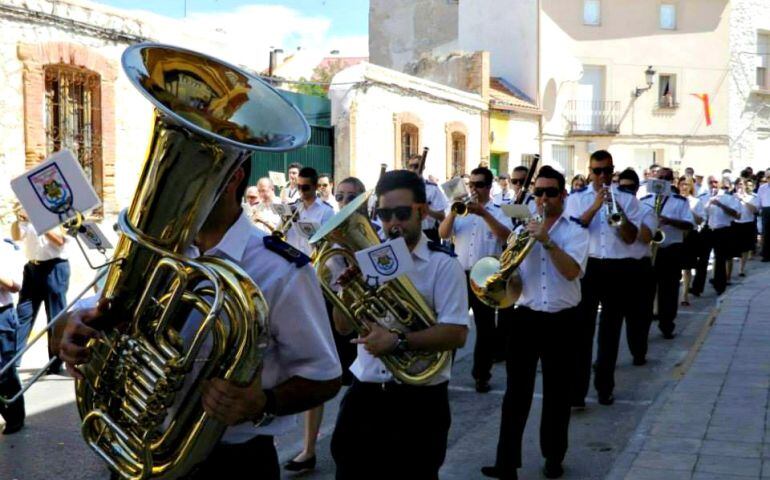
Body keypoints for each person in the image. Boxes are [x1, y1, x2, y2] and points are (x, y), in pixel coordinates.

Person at [58, 162, 342, 479]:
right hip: (132, 448)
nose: (172, 187)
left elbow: (325, 377)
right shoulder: (155, 249)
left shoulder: (283, 269)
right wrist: (77, 328)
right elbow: (99, 315)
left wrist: (263, 402)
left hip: (231, 464)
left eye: (184, 173)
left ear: (232, 176)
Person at [330, 169, 469, 480]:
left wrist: (397, 342)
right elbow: (342, 327)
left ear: (421, 211)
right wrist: (348, 290)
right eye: (384, 213)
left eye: (402, 213)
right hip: (364, 394)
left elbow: (457, 333)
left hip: (419, 401)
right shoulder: (368, 258)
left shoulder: (443, 265)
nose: (392, 222)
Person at [481, 166, 589, 480]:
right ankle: (506, 463)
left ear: (563, 195)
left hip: (563, 320)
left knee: (557, 394)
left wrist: (547, 241)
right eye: (538, 192)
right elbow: (511, 277)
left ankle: (553, 457)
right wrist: (504, 276)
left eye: (550, 192)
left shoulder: (576, 232)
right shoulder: (520, 231)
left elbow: (571, 272)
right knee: (516, 393)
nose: (543, 198)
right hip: (525, 319)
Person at [284, 176, 365, 474]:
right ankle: (308, 450)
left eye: (350, 197)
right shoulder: (326, 230)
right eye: (340, 196)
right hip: (327, 304)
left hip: (359, 310)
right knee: (314, 372)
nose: (343, 202)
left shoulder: (373, 234)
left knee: (356, 384)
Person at [567, 150, 641, 407]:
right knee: (581, 331)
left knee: (611, 331)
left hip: (618, 268)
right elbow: (573, 230)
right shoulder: (576, 199)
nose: (602, 176)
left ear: (613, 171)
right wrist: (595, 206)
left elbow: (631, 237)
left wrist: (618, 211)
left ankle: (605, 387)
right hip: (588, 267)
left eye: (606, 171)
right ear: (590, 171)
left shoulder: (628, 199)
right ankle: (577, 391)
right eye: (597, 171)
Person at [439, 167, 512, 393]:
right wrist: (453, 212)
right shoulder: (459, 209)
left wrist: (484, 214)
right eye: (472, 184)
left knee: (486, 329)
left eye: (479, 185)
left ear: (489, 187)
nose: (474, 189)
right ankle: (441, 374)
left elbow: (506, 236)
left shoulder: (501, 209)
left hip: (486, 276)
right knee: (451, 325)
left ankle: (482, 375)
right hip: (459, 275)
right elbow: (443, 234)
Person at [11, 207, 70, 375]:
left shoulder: (58, 213)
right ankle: (12, 361)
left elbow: (59, 240)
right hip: (32, 268)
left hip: (54, 267)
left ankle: (56, 362)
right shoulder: (28, 218)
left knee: (55, 316)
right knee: (23, 313)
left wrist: (35, 217)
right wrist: (17, 219)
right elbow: (16, 236)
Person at [640, 168, 694, 339]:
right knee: (647, 291)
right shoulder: (645, 200)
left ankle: (667, 324)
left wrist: (669, 221)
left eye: (665, 178)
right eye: (659, 178)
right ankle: (643, 327)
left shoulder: (680, 201)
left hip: (671, 249)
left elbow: (689, 224)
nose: (661, 181)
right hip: (649, 250)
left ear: (671, 181)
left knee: (669, 290)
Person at [698, 177, 741, 295]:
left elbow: (737, 215)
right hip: (707, 229)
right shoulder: (703, 197)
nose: (713, 184)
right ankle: (697, 287)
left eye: (715, 182)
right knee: (702, 259)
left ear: (720, 183)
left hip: (722, 230)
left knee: (720, 259)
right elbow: (700, 214)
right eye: (710, 182)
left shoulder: (728, 198)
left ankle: (719, 286)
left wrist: (720, 205)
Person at [0, 236, 24, 434]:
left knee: (5, 371)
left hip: (2, 315)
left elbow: (15, 286)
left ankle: (14, 416)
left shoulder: (6, 247)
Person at [286, 167, 335, 256]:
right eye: (299, 187)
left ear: (315, 187)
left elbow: (328, 244)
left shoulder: (327, 211)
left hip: (312, 264)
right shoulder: (292, 208)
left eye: (305, 187)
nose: (301, 191)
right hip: (292, 260)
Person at [405, 154, 448, 242]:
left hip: (428, 233)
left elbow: (442, 216)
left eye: (416, 166)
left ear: (423, 167)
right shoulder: (402, 189)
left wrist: (428, 211)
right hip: (408, 232)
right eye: (410, 166)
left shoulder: (432, 189)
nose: (413, 169)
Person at [677, 177, 703, 307]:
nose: (683, 187)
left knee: (687, 267)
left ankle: (685, 294)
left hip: (690, 234)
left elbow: (699, 221)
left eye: (686, 184)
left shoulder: (696, 201)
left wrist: (690, 210)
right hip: (676, 233)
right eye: (681, 184)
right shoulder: (675, 200)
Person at [730, 178, 759, 278]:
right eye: (737, 184)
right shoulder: (731, 197)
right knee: (733, 248)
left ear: (745, 185)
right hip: (735, 224)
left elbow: (755, 210)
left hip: (747, 224)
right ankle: (729, 271)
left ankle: (741, 269)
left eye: (741, 184)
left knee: (745, 248)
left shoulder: (752, 197)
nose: (739, 186)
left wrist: (743, 199)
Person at [758, 171, 770, 262]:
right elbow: (759, 199)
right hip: (766, 210)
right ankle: (766, 255)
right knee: (765, 233)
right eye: (768, 177)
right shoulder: (762, 188)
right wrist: (759, 210)